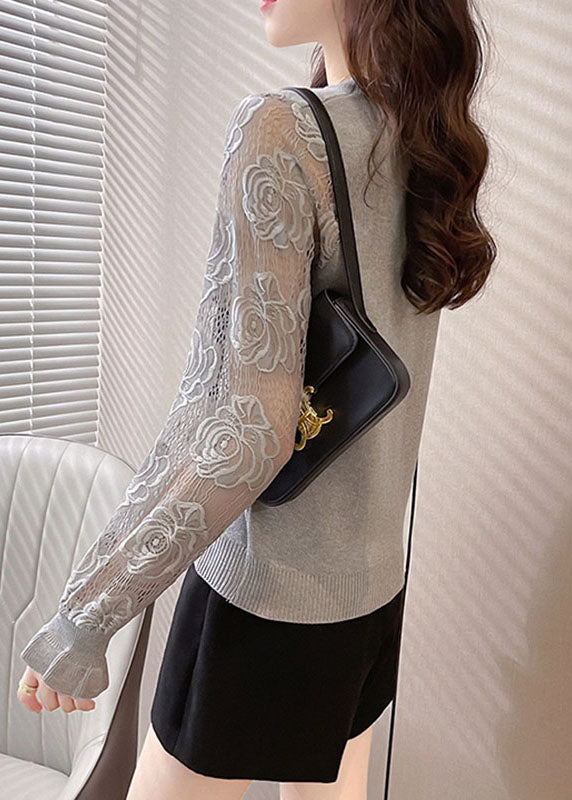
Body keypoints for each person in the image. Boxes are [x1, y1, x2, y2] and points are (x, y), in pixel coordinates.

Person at [17, 0, 496, 798]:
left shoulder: (282, 131)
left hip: (265, 599)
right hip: (371, 591)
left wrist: (87, 614)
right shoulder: (424, 136)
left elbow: (244, 429)